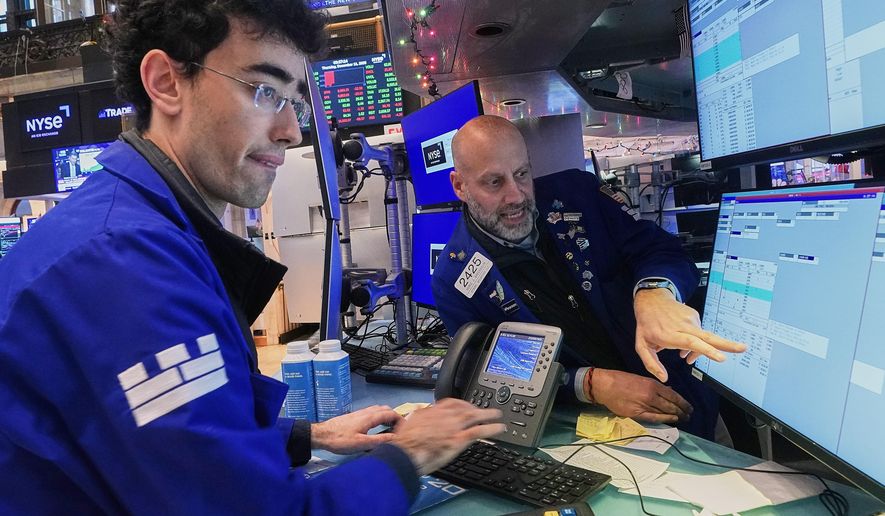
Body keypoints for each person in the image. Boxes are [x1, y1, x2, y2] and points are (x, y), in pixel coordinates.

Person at [0, 2, 504, 514]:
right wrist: (408, 455)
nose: (290, 130)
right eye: (265, 91)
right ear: (166, 83)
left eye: (294, 102)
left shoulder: (139, 229)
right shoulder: (122, 264)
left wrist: (307, 435)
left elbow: (156, 437)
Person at [431, 115, 745, 439]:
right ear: (460, 186)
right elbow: (489, 373)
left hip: (685, 403)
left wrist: (655, 292)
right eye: (494, 182)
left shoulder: (578, 195)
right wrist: (591, 384)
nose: (516, 196)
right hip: (589, 435)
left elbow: (663, 251)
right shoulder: (455, 278)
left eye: (522, 174)